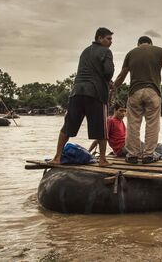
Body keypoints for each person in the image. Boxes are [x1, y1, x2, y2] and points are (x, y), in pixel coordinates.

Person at [49, 27, 115, 166]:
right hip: (96, 93)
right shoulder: (106, 52)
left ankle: (57, 157)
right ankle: (102, 159)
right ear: (99, 38)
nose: (110, 42)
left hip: (77, 92)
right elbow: (108, 72)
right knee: (101, 128)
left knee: (68, 126)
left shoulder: (85, 51)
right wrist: (108, 81)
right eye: (108, 38)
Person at [112, 36, 162, 164]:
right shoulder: (160, 51)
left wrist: (113, 88)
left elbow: (122, 75)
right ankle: (148, 155)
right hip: (153, 92)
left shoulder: (130, 53)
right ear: (151, 43)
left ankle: (132, 155)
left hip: (135, 92)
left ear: (138, 44)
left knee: (133, 124)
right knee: (152, 124)